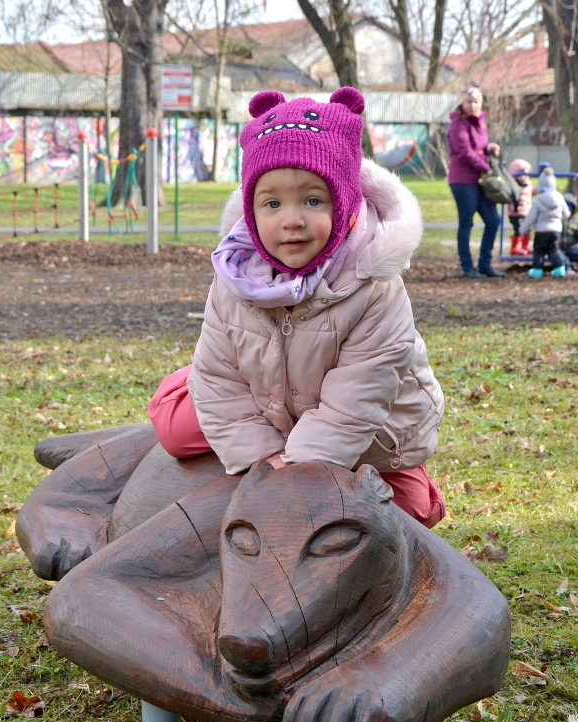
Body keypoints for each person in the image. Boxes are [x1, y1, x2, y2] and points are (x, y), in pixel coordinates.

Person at [146, 88, 446, 528]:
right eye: (272, 203)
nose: (291, 220)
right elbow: (219, 380)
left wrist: (297, 470)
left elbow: (355, 405)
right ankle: (180, 385)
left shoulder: (374, 285)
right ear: (250, 211)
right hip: (268, 396)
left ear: (345, 203)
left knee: (411, 514)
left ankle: (408, 477)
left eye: (313, 200)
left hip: (368, 427)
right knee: (175, 429)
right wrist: (265, 457)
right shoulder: (237, 276)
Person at [447, 87, 506, 278]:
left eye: (476, 102)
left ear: (481, 103)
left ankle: (485, 264)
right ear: (463, 103)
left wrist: (489, 147)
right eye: (469, 102)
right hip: (463, 180)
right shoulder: (458, 124)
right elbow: (465, 152)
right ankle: (467, 268)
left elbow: (478, 147)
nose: (473, 106)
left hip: (481, 179)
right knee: (466, 222)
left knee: (493, 220)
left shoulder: (480, 122)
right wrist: (486, 168)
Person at [521, 167, 571, 278]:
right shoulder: (560, 198)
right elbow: (566, 214)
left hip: (541, 231)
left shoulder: (538, 200)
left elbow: (531, 217)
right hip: (555, 230)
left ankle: (537, 270)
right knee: (554, 250)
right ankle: (559, 269)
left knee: (539, 251)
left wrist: (522, 229)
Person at [507, 158, 534, 255]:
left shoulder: (528, 184)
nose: (525, 176)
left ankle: (525, 247)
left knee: (527, 229)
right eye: (522, 173)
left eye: (527, 173)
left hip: (526, 211)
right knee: (518, 229)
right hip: (516, 212)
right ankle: (514, 248)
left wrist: (538, 190)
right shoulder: (512, 185)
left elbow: (531, 192)